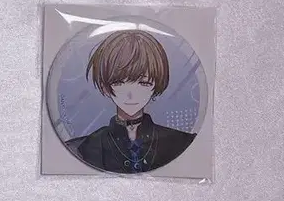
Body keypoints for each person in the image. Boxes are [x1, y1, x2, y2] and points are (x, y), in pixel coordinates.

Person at [66, 30, 195, 173]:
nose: (131, 95)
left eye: (144, 83)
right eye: (118, 82)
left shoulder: (182, 142)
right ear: (105, 87)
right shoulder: (83, 148)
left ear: (157, 84)